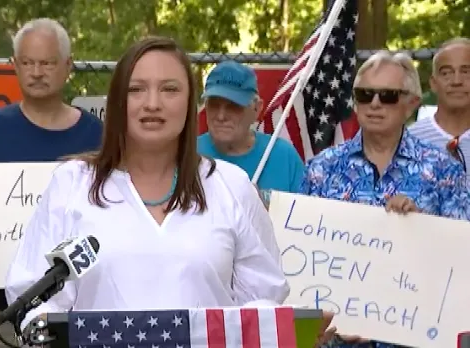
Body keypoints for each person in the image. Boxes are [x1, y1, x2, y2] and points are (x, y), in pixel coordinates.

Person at [5, 35, 291, 338]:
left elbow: (263, 303)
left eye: (170, 89)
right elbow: (35, 302)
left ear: (192, 102)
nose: (152, 103)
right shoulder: (72, 185)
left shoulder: (231, 186)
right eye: (136, 89)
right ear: (117, 101)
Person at [0, 18, 103, 348]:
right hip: (1, 310)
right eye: (27, 63)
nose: (37, 72)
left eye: (46, 63)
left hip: (78, 308)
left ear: (67, 66)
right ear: (14, 66)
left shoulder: (98, 136)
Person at [304, 51, 469, 348]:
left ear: (412, 103)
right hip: (335, 340)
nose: (375, 104)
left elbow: (462, 258)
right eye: (365, 95)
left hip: (418, 339)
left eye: (389, 96)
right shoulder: (321, 168)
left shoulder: (444, 169)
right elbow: (301, 256)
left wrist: (422, 226)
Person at [197, 61, 304, 205]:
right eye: (214, 104)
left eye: (233, 106)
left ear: (256, 109)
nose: (221, 116)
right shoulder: (188, 155)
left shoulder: (284, 157)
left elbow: (307, 216)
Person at [409, 37, 470, 179]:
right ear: (433, 83)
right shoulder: (410, 141)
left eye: (466, 72)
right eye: (446, 73)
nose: (456, 81)